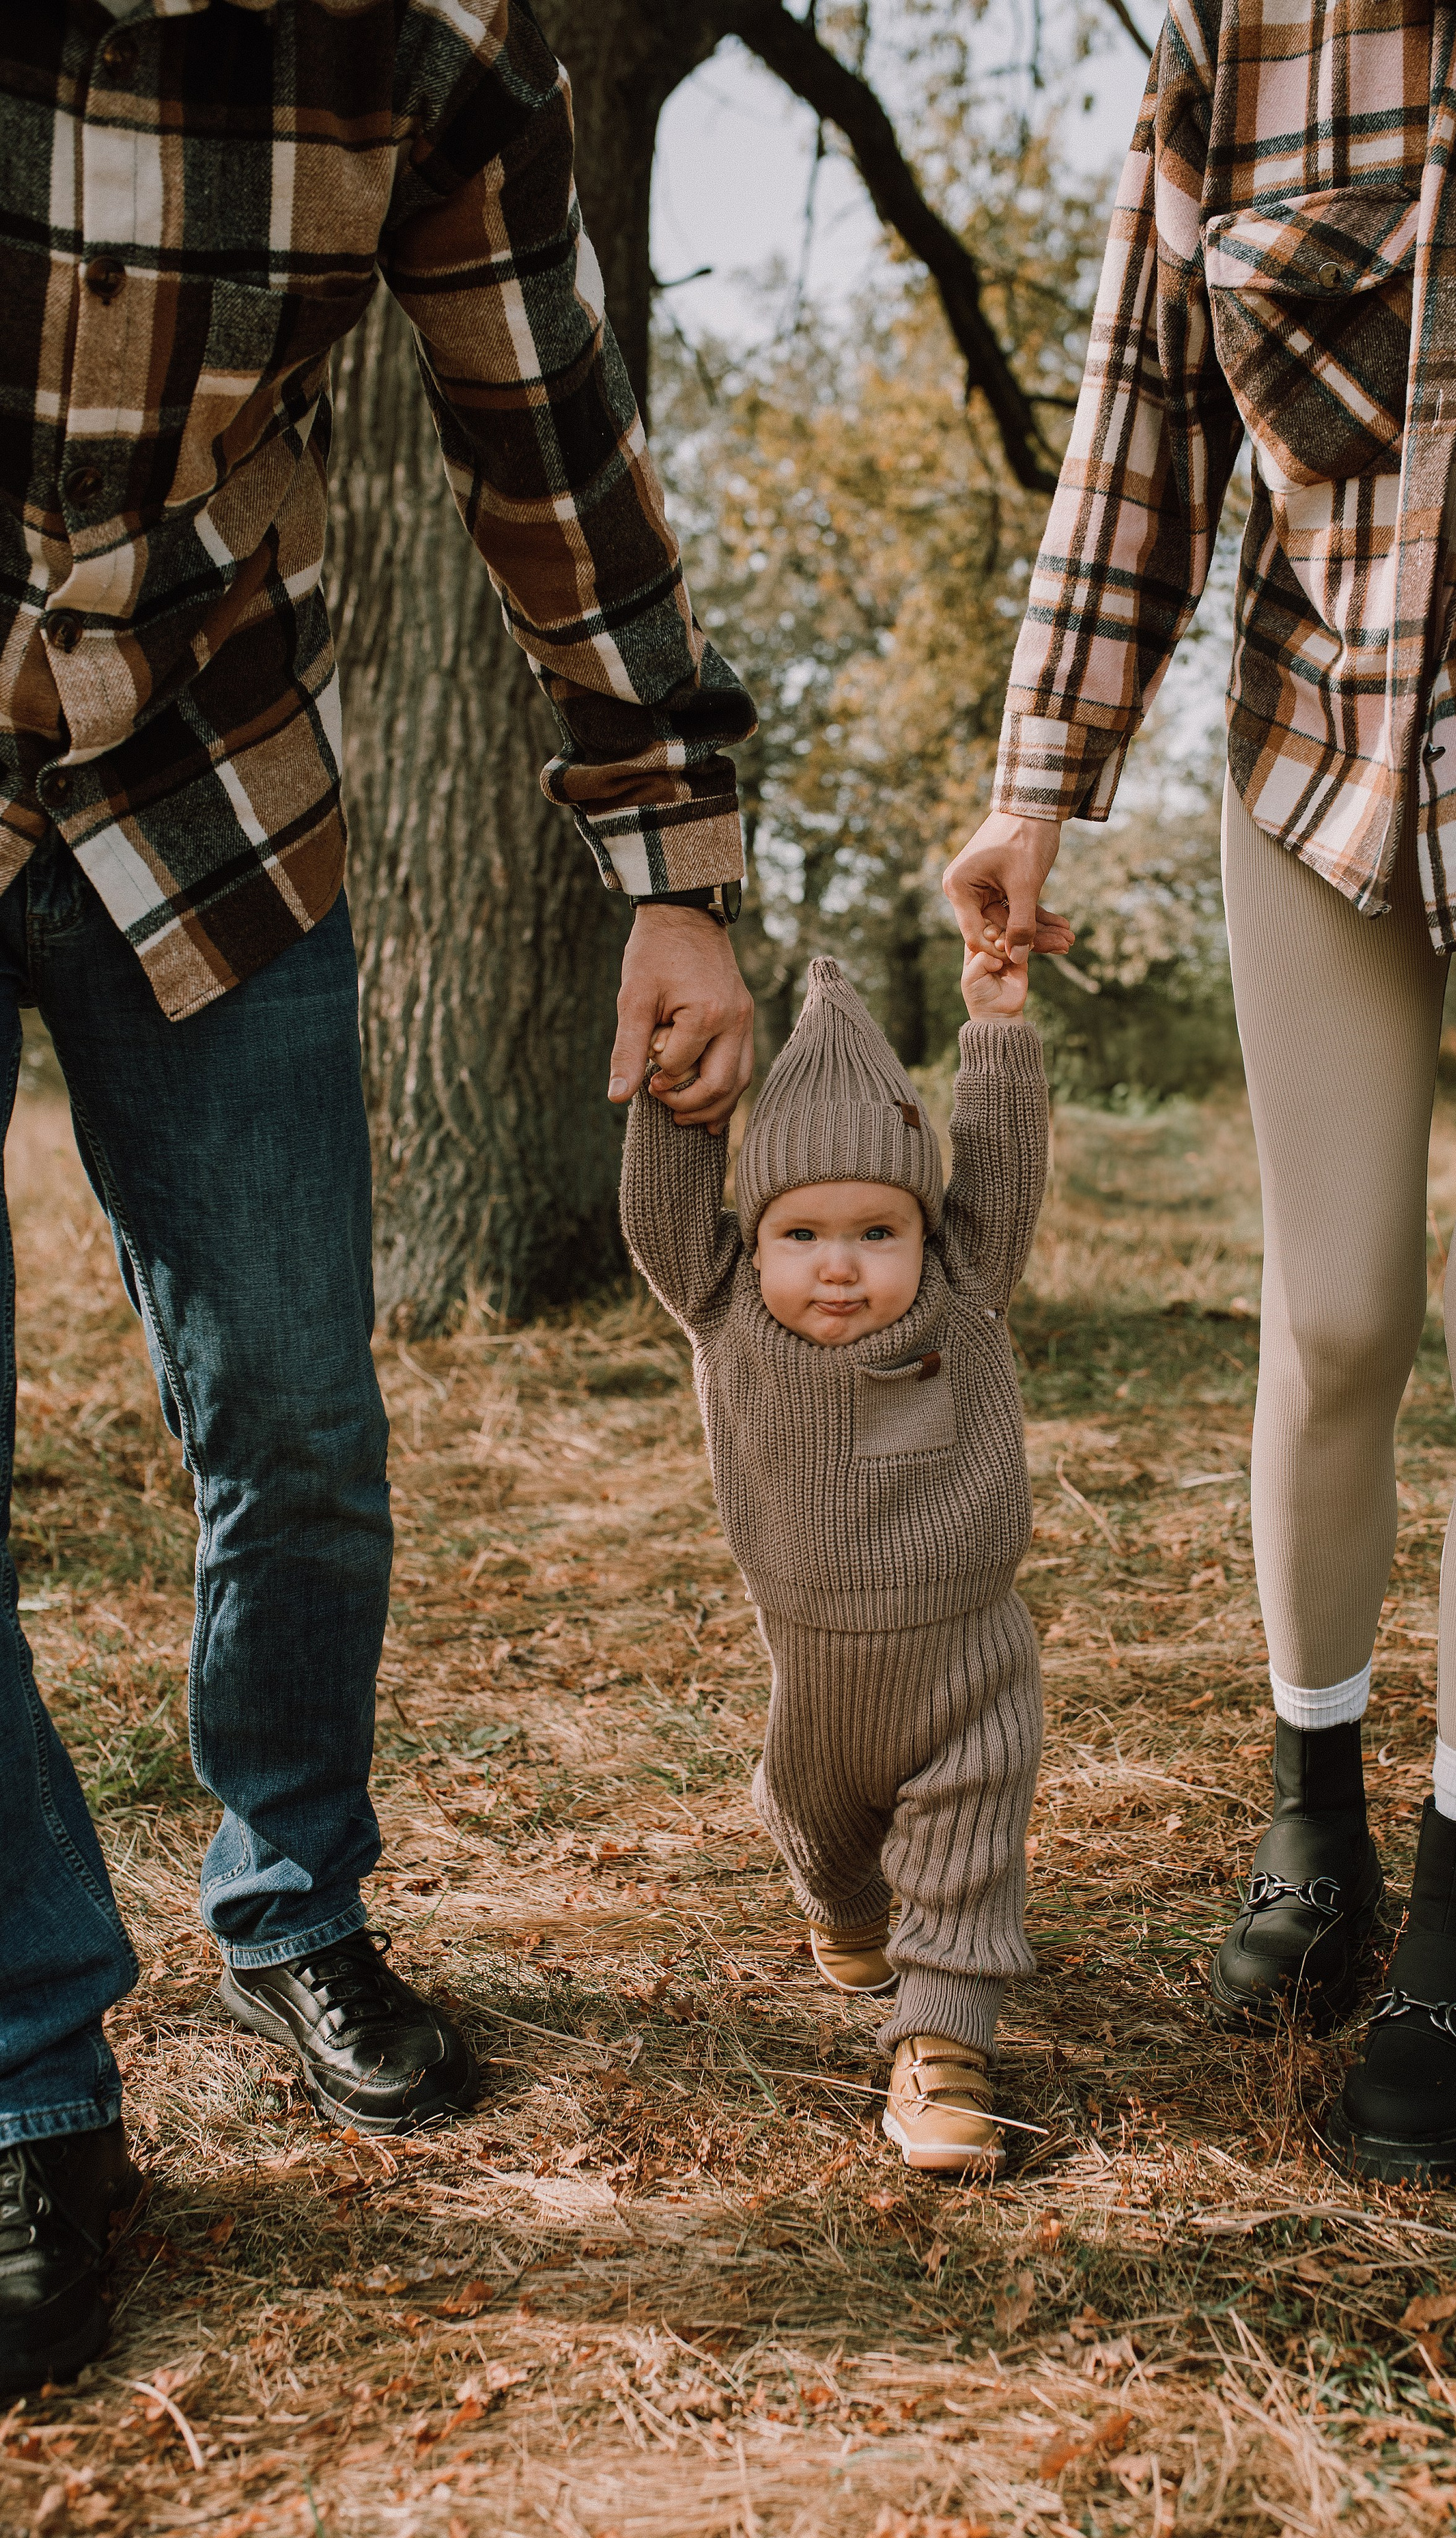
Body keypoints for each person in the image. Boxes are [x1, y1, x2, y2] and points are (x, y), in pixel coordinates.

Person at [0, 0, 756, 2389]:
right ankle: (29, 2075)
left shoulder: (426, 66)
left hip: (211, 786)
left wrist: (676, 860)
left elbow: (556, 457)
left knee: (302, 1420)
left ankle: (296, 1897)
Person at [946, 0, 1456, 2184]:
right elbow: (1137, 442)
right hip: (1319, 765)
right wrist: (1038, 784)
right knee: (1342, 1313)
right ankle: (1316, 1819)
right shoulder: (1236, 52)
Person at [620, 952, 1052, 2173]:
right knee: (816, 1826)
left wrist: (999, 1032)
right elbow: (662, 1211)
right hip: (811, 1673)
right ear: (752, 1245)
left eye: (878, 1230)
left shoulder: (961, 1296)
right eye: (800, 1233)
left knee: (965, 1847)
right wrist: (674, 1080)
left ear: (929, 1232)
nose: (841, 1266)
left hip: (967, 1655)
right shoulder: (724, 1311)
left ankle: (942, 2046)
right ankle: (850, 1912)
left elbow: (1004, 1174)